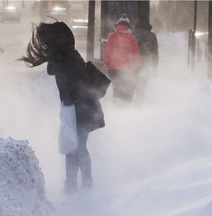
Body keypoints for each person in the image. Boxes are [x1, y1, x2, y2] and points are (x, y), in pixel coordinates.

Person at [19, 21, 106, 194]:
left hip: (80, 108)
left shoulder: (66, 58)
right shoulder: (68, 55)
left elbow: (69, 79)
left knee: (76, 147)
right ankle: (74, 184)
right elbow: (53, 71)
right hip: (77, 108)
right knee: (73, 147)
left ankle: (84, 184)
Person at [104, 13, 142, 103]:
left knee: (117, 89)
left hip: (113, 69)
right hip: (128, 69)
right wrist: (138, 66)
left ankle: (117, 108)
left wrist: (108, 63)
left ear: (118, 25)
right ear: (128, 26)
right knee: (128, 88)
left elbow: (107, 51)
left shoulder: (112, 36)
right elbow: (136, 53)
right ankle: (126, 110)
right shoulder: (132, 37)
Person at [134, 20, 159, 104]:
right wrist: (154, 67)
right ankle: (139, 104)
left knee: (129, 83)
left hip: (133, 63)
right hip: (145, 64)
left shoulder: (133, 35)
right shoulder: (152, 36)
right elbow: (155, 52)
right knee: (141, 86)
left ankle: (126, 106)